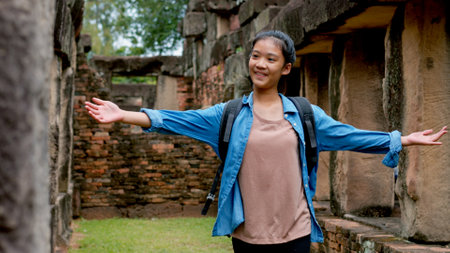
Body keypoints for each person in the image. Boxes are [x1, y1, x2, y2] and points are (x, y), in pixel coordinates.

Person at [85, 30, 447, 253]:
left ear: (285, 67)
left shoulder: (305, 115)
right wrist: (124, 114)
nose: (260, 64)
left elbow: (349, 136)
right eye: (255, 56)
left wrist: (402, 139)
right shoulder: (227, 115)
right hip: (247, 233)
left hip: (296, 230)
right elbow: (175, 120)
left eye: (270, 59)